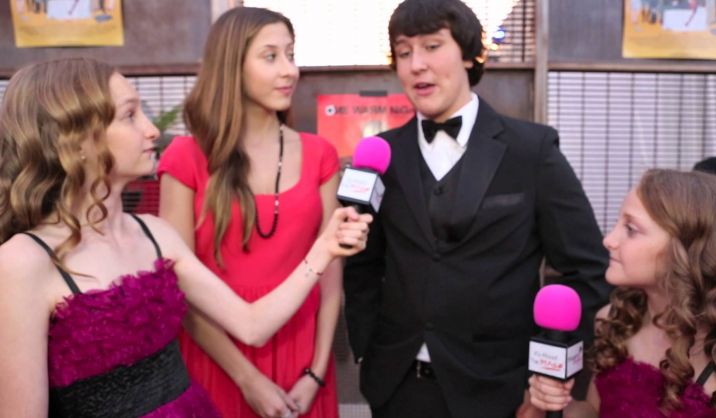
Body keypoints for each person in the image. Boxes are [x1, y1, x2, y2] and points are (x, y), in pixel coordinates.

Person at [0, 57, 371, 418]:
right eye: (130, 115)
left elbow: (252, 325)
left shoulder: (155, 234)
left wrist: (324, 249)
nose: (152, 129)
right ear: (78, 140)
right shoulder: (23, 262)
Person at [342, 1, 611, 417]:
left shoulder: (532, 151)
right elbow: (363, 266)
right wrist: (366, 349)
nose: (416, 64)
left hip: (502, 391)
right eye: (404, 51)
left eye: (432, 46)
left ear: (469, 54)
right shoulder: (382, 154)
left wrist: (546, 374)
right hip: (397, 386)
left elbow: (588, 270)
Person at [158, 7, 344, 418]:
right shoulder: (185, 158)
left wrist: (315, 373)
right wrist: (246, 378)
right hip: (216, 356)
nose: (289, 70)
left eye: (291, 55)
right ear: (231, 66)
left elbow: (331, 275)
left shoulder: (320, 155)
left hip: (302, 356)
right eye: (270, 56)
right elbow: (179, 288)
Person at [525, 169, 716, 418]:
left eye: (630, 229)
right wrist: (554, 403)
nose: (608, 240)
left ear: (686, 249)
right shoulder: (616, 321)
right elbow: (595, 410)